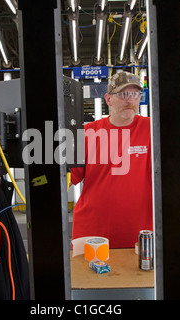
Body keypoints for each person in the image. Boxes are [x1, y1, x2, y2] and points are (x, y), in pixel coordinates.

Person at [71, 71, 153, 249]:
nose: (130, 100)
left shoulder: (152, 130)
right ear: (108, 99)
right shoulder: (87, 134)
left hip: (139, 237)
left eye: (135, 94)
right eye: (123, 94)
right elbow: (67, 179)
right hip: (91, 234)